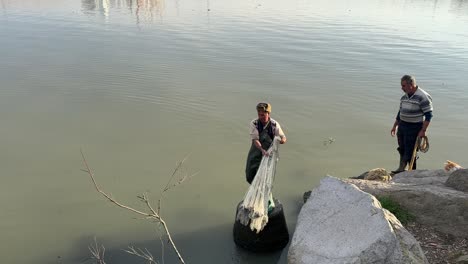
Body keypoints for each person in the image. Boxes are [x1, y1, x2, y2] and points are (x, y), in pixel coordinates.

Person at [391, 75, 433, 173]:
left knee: (411, 151)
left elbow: (429, 115)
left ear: (411, 85)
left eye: (404, 86)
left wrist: (423, 131)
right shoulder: (405, 96)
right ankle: (401, 168)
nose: (402, 88)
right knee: (402, 148)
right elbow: (400, 112)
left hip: (414, 127)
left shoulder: (423, 97)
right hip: (402, 125)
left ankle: (411, 171)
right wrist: (395, 125)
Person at [245, 102, 287, 184]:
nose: (260, 117)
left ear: (268, 113)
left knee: (265, 178)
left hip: (268, 154)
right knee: (250, 174)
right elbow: (255, 140)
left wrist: (281, 141)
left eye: (263, 115)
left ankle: (264, 193)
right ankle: (254, 190)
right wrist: (261, 150)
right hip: (255, 152)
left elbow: (284, 137)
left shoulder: (274, 125)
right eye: (259, 114)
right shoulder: (254, 123)